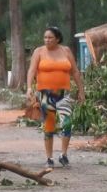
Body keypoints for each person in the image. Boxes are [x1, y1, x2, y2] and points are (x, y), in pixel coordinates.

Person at [26, 25, 85, 168]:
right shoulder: (39, 52)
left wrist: (81, 90)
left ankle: (63, 155)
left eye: (50, 37)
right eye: (45, 37)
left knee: (67, 123)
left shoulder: (66, 51)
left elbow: (75, 72)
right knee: (49, 126)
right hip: (46, 94)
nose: (47, 40)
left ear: (57, 39)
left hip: (64, 94)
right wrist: (29, 87)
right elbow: (32, 70)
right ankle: (49, 158)